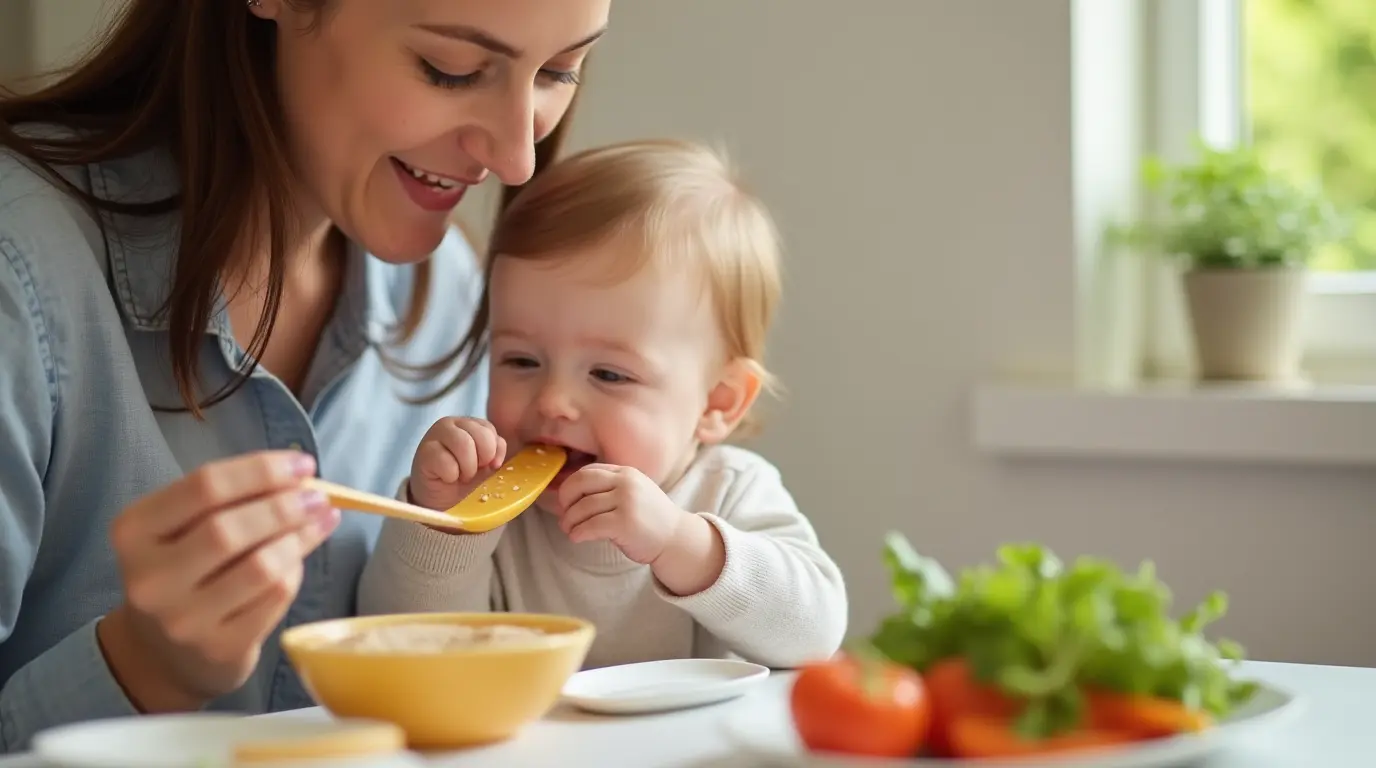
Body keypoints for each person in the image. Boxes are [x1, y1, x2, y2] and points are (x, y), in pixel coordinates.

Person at [0, 0, 611, 752]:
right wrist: (139, 667)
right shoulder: (19, 274)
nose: (516, 158)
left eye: (558, 72)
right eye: (450, 70)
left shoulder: (453, 299)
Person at [357, 139, 849, 668]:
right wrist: (447, 524)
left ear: (718, 402)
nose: (553, 401)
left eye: (609, 374)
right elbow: (404, 651)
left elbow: (816, 635)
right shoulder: (502, 510)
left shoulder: (729, 490)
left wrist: (680, 543)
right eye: (521, 361)